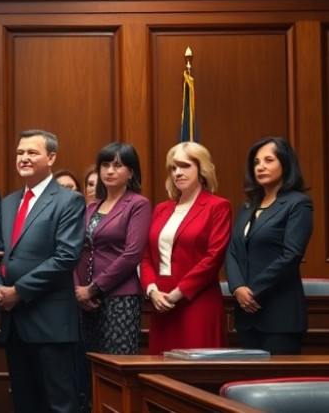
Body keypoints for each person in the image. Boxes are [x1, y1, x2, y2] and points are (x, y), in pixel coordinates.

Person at [0, 129, 85, 413]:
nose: (24, 158)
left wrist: (19, 291)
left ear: (51, 157)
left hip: (50, 323)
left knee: (60, 405)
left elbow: (66, 256)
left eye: (32, 152)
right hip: (14, 323)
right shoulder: (8, 203)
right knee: (24, 403)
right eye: (20, 153)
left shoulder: (68, 201)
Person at [73, 143, 151, 410]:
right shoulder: (92, 208)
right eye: (105, 165)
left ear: (131, 172)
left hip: (119, 299)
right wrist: (77, 289)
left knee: (116, 373)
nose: (109, 170)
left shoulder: (137, 204)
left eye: (117, 165)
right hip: (84, 302)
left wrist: (93, 289)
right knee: (88, 372)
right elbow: (75, 251)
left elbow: (131, 255)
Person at [139, 142, 231, 355]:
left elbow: (214, 257)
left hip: (196, 303)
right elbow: (145, 256)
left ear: (202, 169)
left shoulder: (217, 206)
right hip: (161, 303)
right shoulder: (162, 209)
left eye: (185, 165)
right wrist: (152, 291)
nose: (178, 172)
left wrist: (177, 294)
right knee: (160, 375)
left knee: (195, 374)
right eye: (173, 167)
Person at [226, 137, 313, 355]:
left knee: (275, 384)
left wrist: (253, 292)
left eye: (268, 160)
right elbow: (233, 250)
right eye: (256, 162)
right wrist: (237, 288)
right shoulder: (248, 206)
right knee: (250, 383)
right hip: (247, 315)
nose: (261, 167)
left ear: (285, 164)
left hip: (280, 315)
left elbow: (291, 255)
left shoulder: (298, 204)